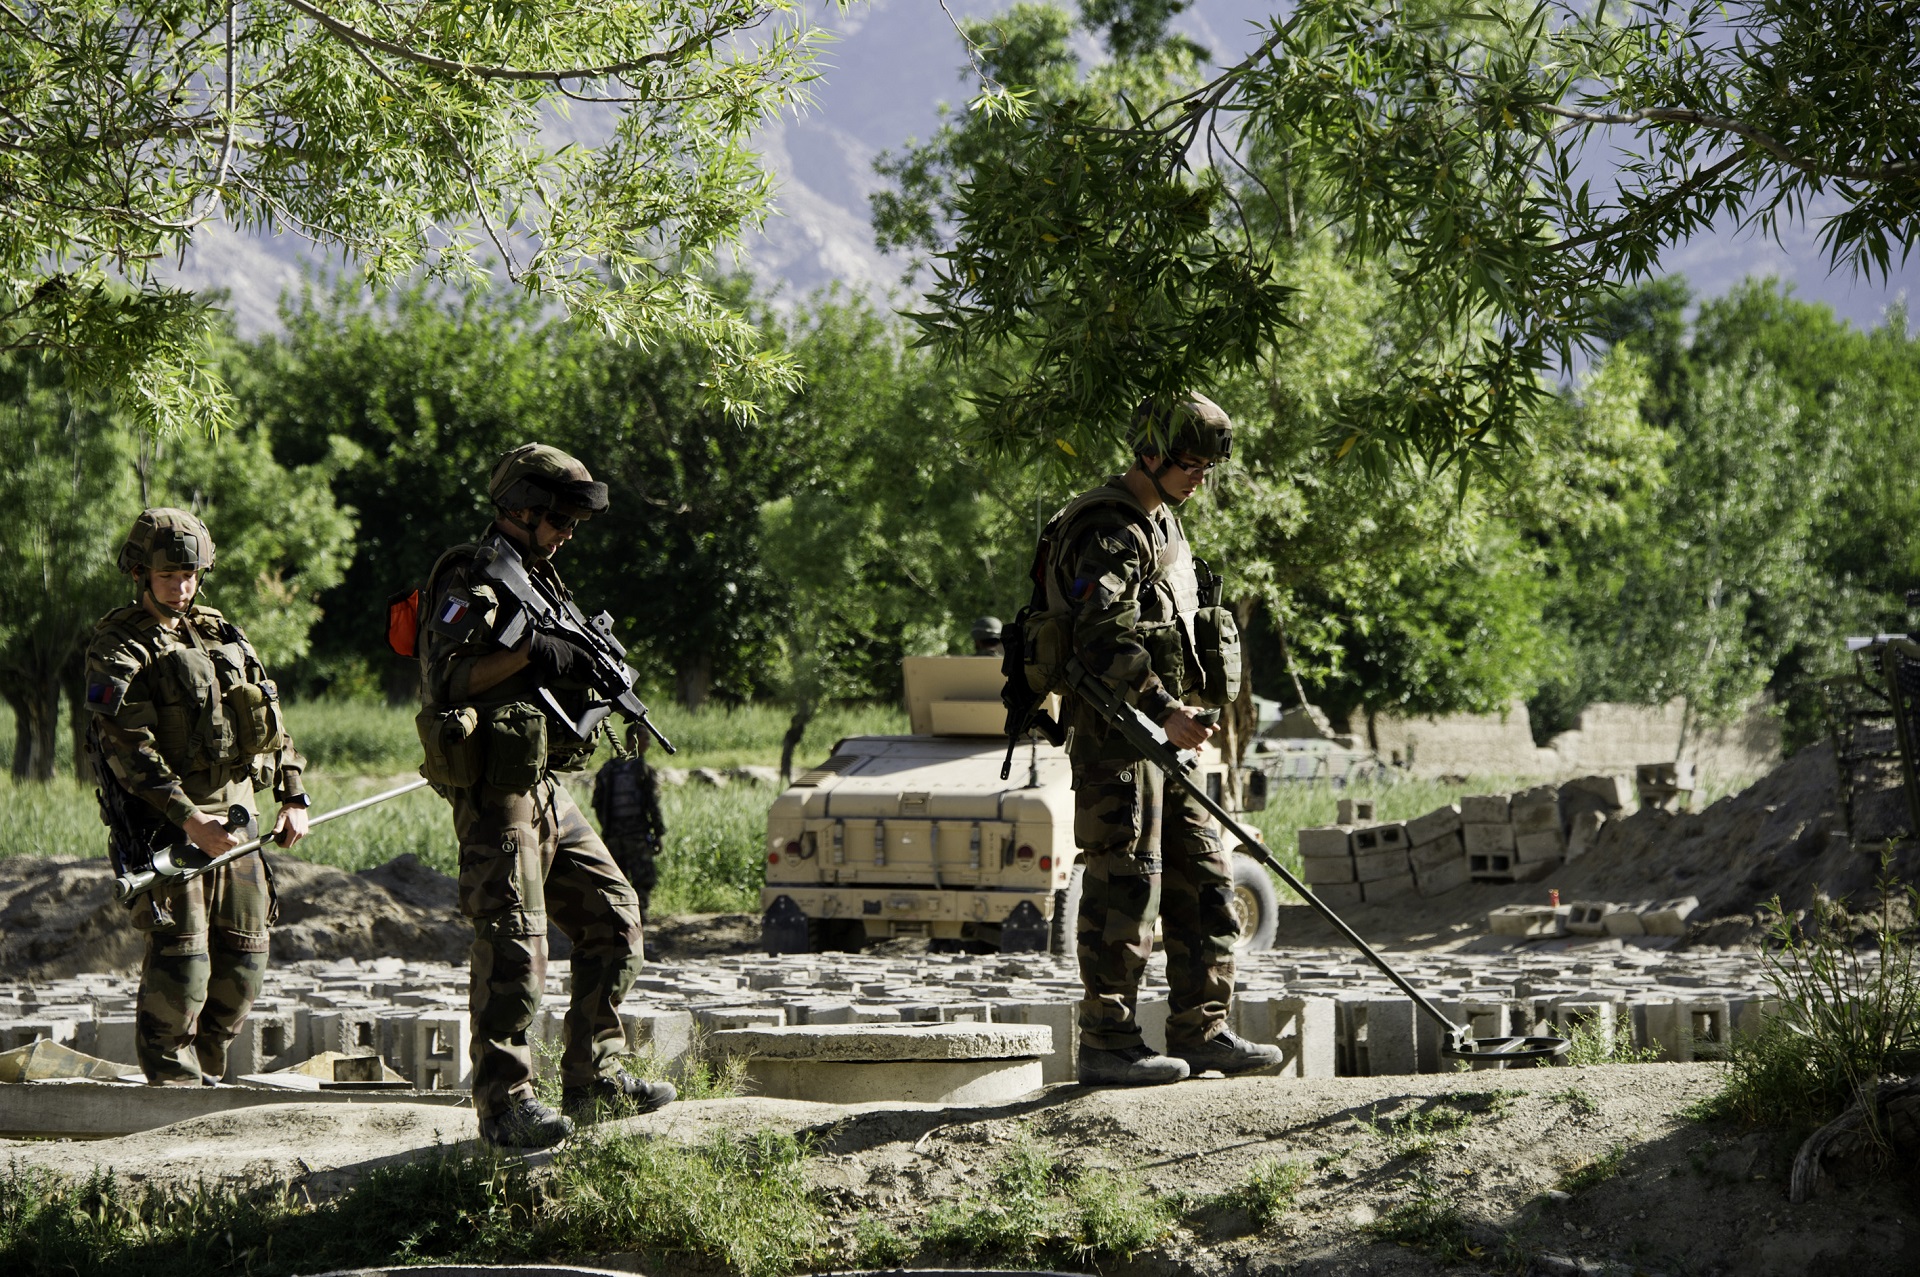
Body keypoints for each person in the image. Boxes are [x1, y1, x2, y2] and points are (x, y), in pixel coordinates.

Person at [417, 443, 673, 1149]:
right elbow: (450, 679)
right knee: (512, 941)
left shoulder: (543, 579)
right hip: (495, 792)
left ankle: (596, 1077)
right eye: (559, 518)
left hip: (544, 785)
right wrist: (534, 653)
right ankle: (505, 1102)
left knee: (614, 914)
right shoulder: (473, 576)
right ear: (522, 509)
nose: (568, 533)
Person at [1047, 393, 1282, 1086]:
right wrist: (1162, 704)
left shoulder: (1163, 526)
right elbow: (1102, 633)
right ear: (1148, 452)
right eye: (1188, 463)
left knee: (1207, 878)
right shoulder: (1106, 529)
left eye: (1207, 466)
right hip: (1117, 740)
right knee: (1127, 886)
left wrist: (1182, 714)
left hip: (1164, 738)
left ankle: (1202, 1028)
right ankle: (1108, 1042)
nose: (1199, 476)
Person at [84, 508, 311, 1085]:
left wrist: (293, 796)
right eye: (168, 576)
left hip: (239, 828)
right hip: (170, 832)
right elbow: (128, 748)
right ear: (139, 573)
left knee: (244, 966)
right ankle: (173, 1098)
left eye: (190, 575)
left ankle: (209, 1091)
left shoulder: (222, 631)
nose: (181, 588)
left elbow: (270, 718)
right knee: (182, 971)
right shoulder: (117, 645)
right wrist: (191, 821)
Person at [591, 726, 667, 921]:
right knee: (642, 879)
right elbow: (652, 804)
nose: (649, 743)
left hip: (614, 836)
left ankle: (620, 917)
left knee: (617, 879)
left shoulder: (609, 768)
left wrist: (607, 828)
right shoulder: (642, 769)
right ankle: (639, 916)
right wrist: (658, 833)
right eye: (646, 739)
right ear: (634, 740)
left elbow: (597, 804)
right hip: (637, 836)